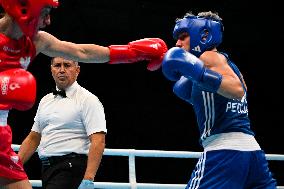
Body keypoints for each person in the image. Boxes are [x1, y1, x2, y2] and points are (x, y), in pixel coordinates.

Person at [0, 0, 167, 188]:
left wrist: (131, 53)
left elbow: (82, 52)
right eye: (44, 13)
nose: (47, 21)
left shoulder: (37, 40)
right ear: (24, 10)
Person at [162, 11, 277, 188]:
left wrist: (200, 74)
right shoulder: (228, 64)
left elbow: (237, 90)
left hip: (224, 153)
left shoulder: (207, 58)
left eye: (183, 36)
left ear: (203, 35)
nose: (177, 42)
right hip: (252, 153)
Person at [18, 57, 106, 189]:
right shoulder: (45, 100)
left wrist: (88, 178)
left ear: (77, 70)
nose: (62, 70)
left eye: (67, 65)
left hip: (71, 167)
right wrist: (14, 165)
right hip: (47, 168)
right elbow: (33, 137)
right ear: (51, 70)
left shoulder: (88, 100)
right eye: (57, 65)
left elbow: (98, 140)